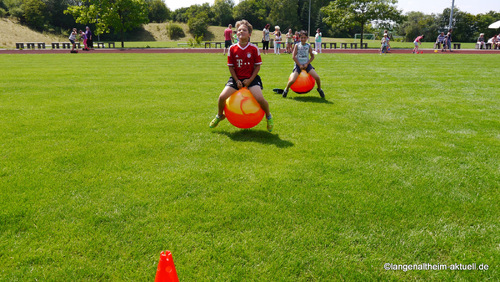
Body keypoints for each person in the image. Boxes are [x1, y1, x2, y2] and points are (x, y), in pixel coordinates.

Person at [209, 19, 274, 132]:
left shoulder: (254, 48)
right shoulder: (232, 49)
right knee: (221, 97)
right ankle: (220, 115)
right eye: (238, 30)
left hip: (251, 78)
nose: (240, 32)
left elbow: (257, 67)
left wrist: (249, 80)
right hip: (236, 79)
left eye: (244, 30)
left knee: (259, 98)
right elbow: (231, 67)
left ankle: (268, 116)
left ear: (249, 34)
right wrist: (237, 80)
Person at [282, 30, 325, 99]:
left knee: (317, 77)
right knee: (292, 80)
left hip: (307, 65)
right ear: (299, 38)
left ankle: (319, 89)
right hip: (298, 65)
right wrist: (299, 65)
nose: (303, 39)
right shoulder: (297, 45)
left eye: (304, 38)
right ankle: (286, 89)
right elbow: (293, 56)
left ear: (307, 38)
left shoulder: (309, 46)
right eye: (302, 38)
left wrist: (307, 64)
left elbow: (312, 56)